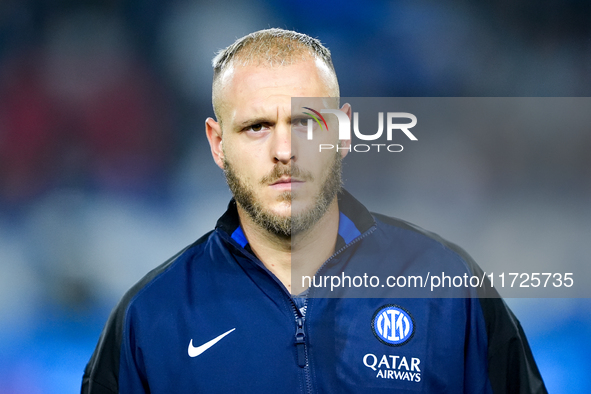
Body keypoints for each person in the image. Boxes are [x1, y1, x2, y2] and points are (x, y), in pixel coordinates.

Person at [82, 28, 547, 393]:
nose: (285, 150)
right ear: (218, 143)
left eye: (305, 122)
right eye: (257, 126)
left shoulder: (449, 288)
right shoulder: (151, 318)